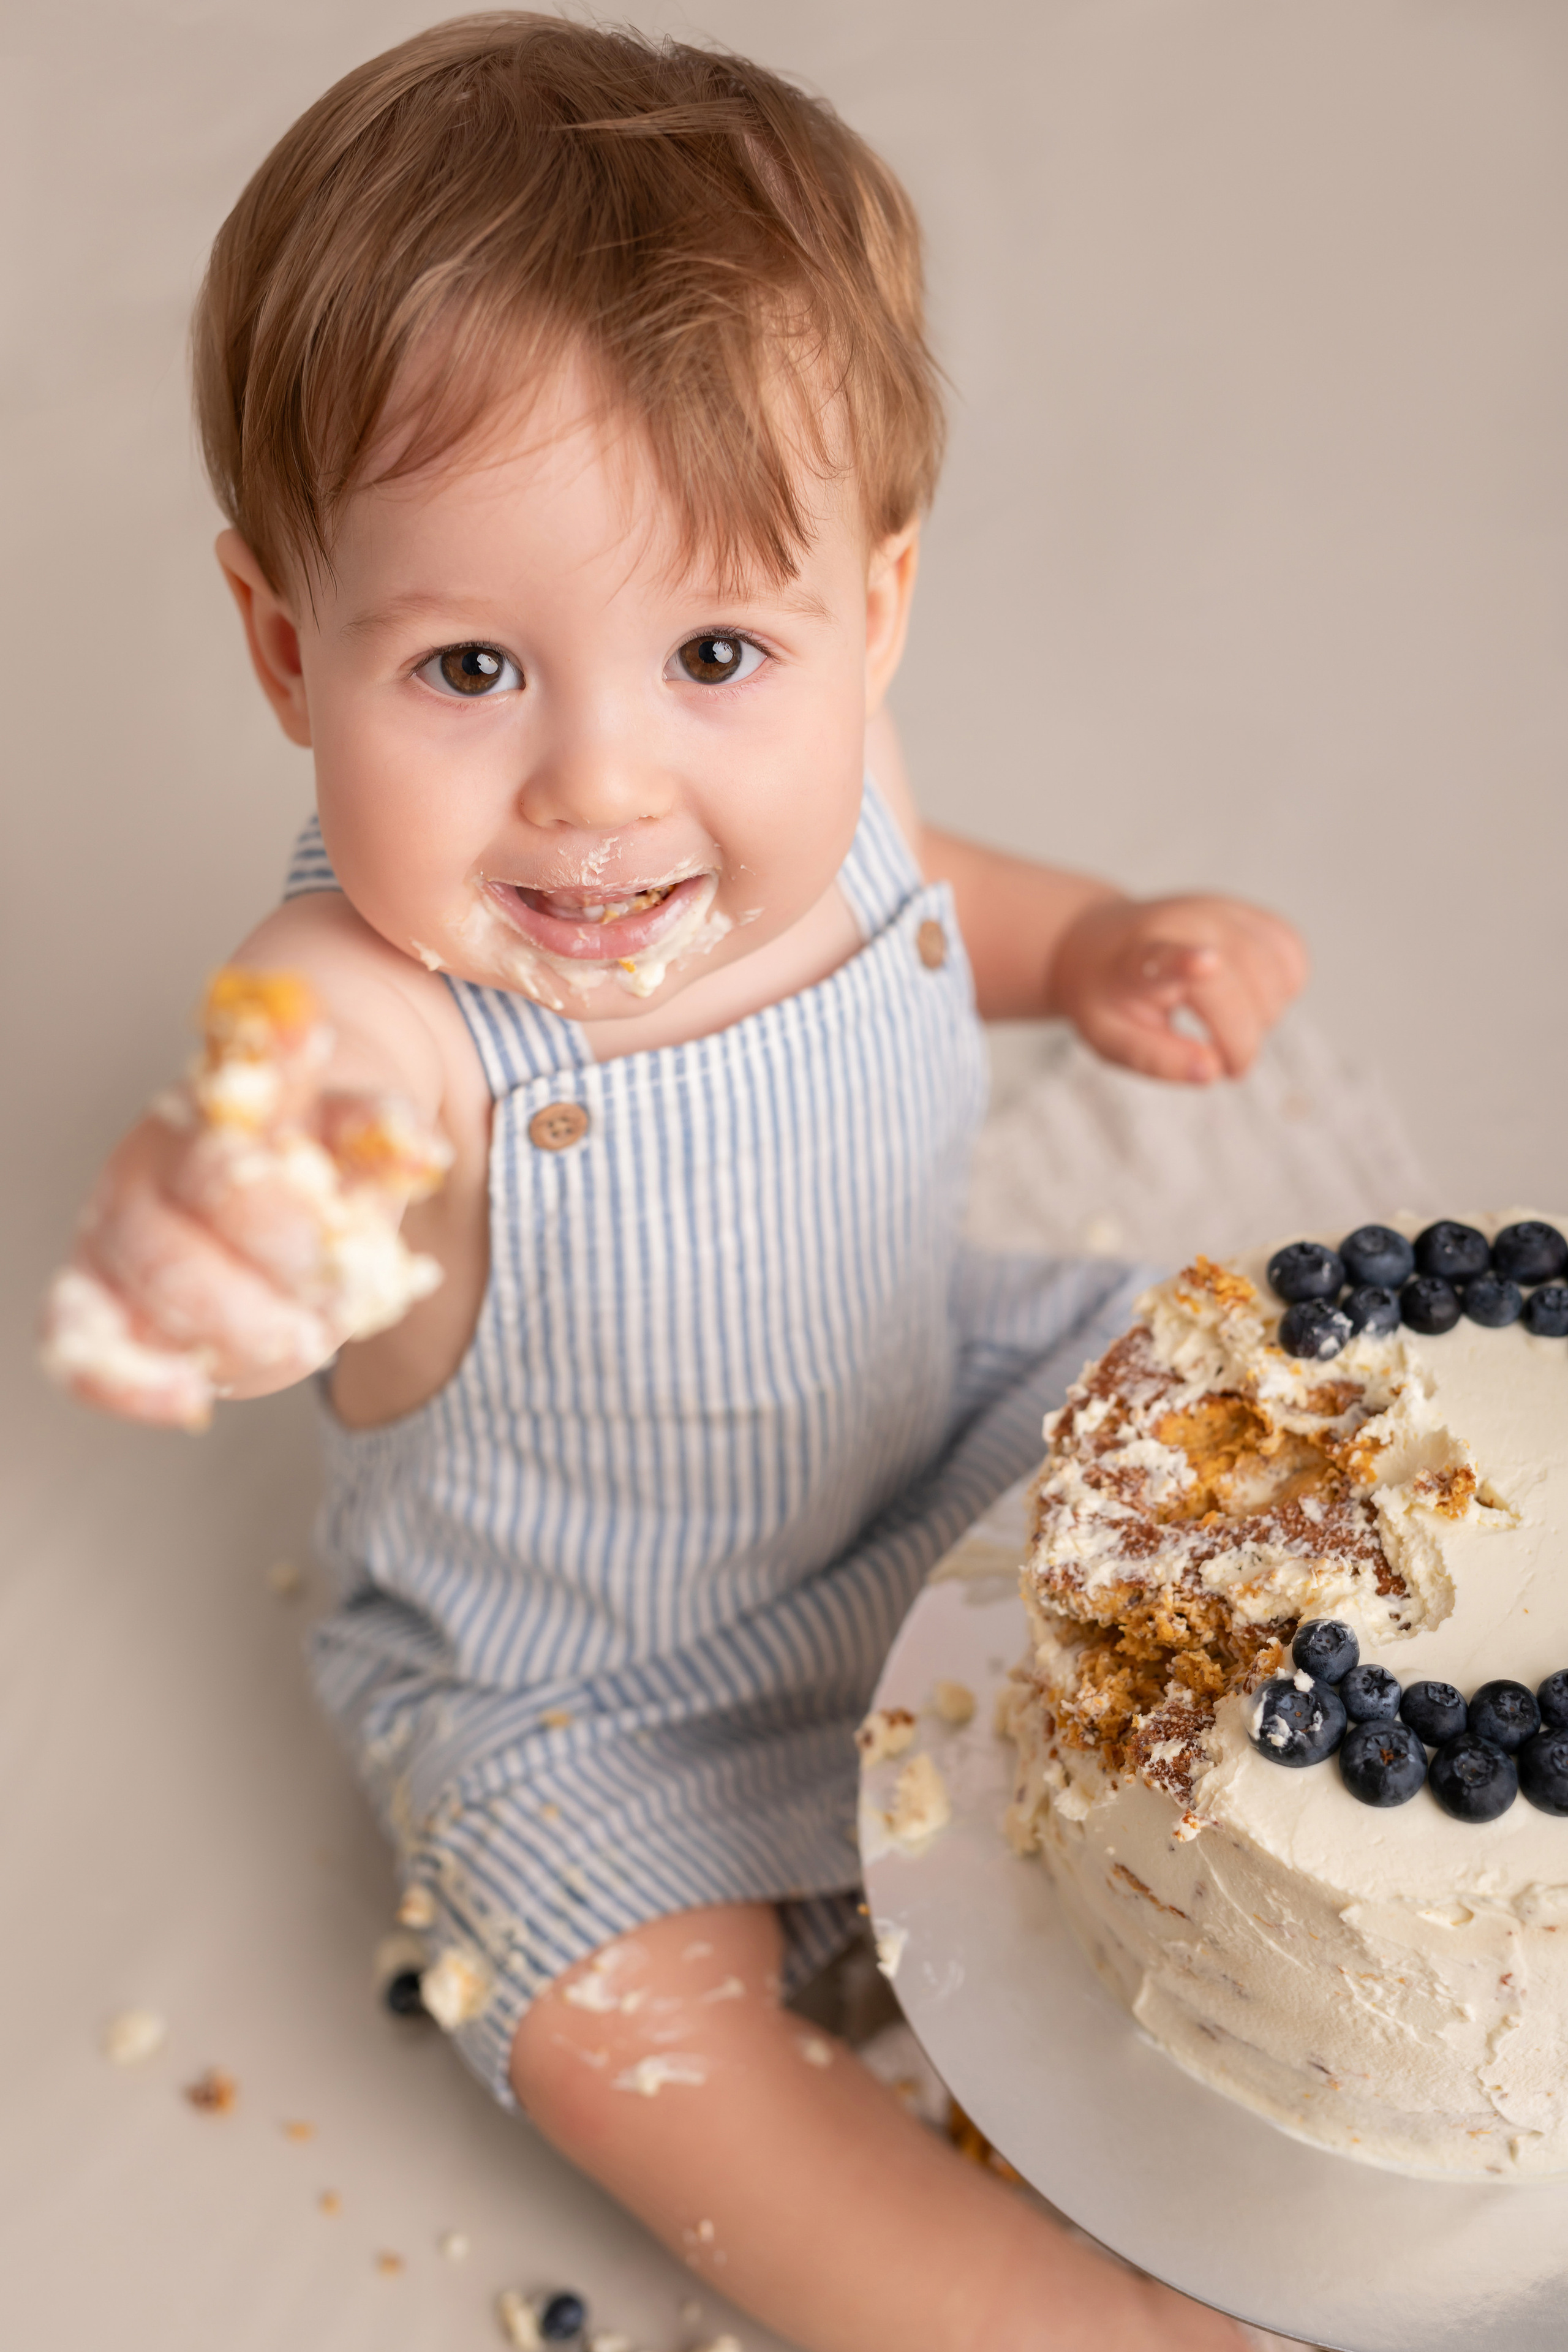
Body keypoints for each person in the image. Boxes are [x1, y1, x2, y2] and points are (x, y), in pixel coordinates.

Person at [43, 18, 1304, 2348]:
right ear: (286, 645)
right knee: (616, 2026)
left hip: (937, 1453)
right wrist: (219, 1216)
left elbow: (935, 899)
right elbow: (296, 1108)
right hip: (586, 1687)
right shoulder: (378, 1005)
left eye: (716, 648)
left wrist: (1101, 944)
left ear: (875, 613)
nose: (603, 784)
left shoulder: (848, 782)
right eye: (469, 668)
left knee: (1276, 1442)